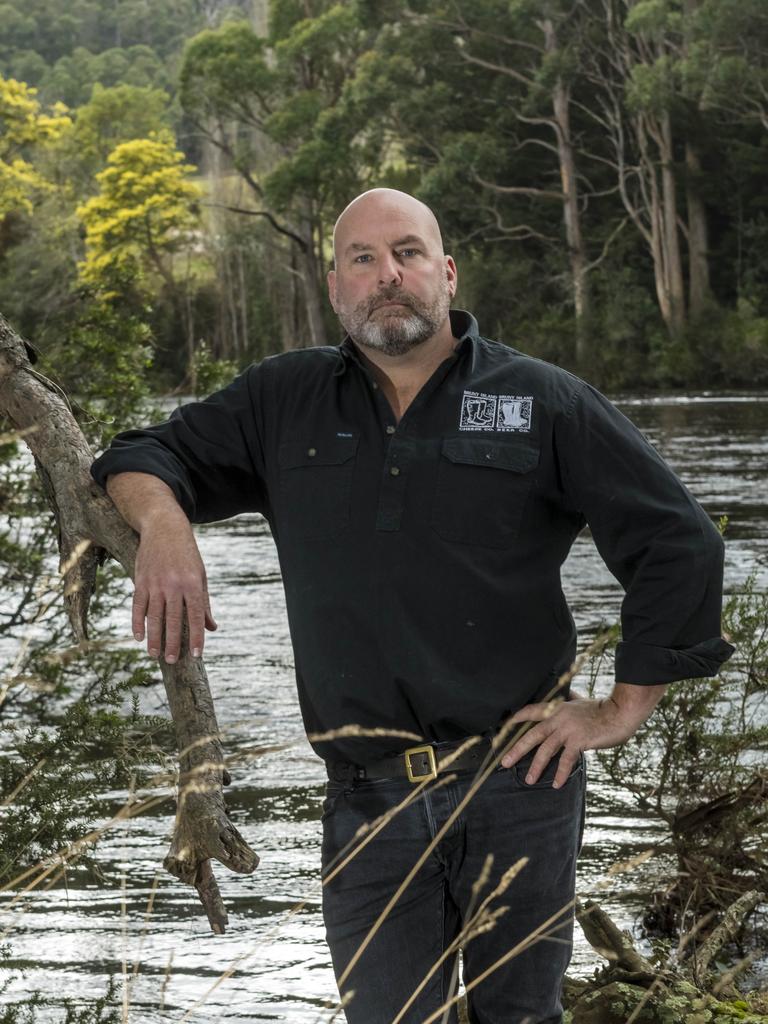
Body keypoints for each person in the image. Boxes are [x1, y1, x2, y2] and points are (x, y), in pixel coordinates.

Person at [91, 188, 733, 1024]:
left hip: (518, 784)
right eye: (362, 258)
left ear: (447, 272)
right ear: (335, 286)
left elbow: (679, 542)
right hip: (365, 801)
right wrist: (166, 523)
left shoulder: (540, 400)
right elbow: (141, 454)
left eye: (407, 252)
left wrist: (617, 709)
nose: (386, 275)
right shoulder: (285, 401)